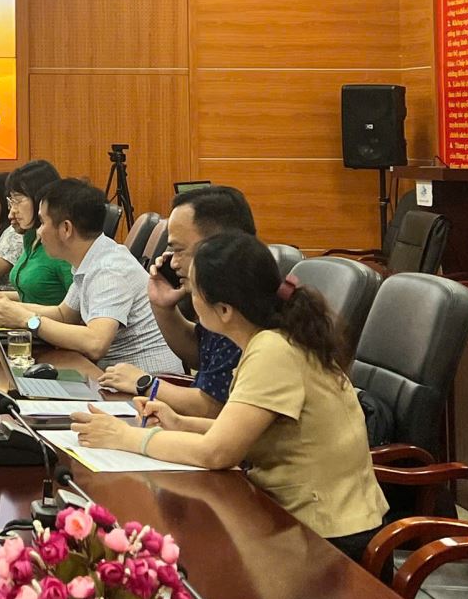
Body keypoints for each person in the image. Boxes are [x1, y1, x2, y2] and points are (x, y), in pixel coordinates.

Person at [71, 231, 388, 557]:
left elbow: (217, 452)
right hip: (296, 516)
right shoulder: (271, 337)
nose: (190, 299)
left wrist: (125, 437)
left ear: (224, 310)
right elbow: (240, 433)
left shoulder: (273, 350)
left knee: (188, 551)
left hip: (327, 536)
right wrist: (178, 423)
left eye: (194, 291)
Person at [0, 177, 180, 374]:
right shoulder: (92, 257)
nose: (39, 232)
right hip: (116, 375)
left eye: (42, 223)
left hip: (148, 381)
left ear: (66, 229)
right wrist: (8, 306)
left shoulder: (108, 268)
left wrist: (27, 320)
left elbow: (96, 343)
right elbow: (64, 314)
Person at [95, 185, 257, 417]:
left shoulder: (243, 308)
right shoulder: (223, 292)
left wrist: (144, 383)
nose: (173, 262)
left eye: (179, 250)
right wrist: (163, 307)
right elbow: (200, 355)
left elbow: (213, 406)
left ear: (217, 246)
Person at [0, 159, 72, 307]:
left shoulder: (61, 247)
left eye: (17, 201)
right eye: (11, 201)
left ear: (40, 200)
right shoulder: (30, 237)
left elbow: (73, 310)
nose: (12, 211)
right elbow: (33, 295)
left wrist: (16, 311)